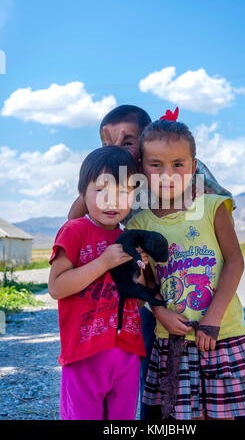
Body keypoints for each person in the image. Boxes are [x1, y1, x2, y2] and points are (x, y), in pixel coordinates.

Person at [67, 104, 237, 420]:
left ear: (145, 144)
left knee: (156, 361)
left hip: (179, 278)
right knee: (144, 365)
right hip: (141, 287)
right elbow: (74, 221)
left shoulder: (175, 172)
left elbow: (218, 219)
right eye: (107, 143)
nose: (117, 149)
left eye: (127, 141)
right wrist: (103, 167)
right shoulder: (112, 179)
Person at [126, 109, 245, 420]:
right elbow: (147, 282)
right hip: (172, 342)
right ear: (141, 168)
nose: (168, 174)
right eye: (156, 165)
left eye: (178, 164)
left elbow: (234, 262)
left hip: (223, 334)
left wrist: (213, 318)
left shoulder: (212, 207)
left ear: (194, 166)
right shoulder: (140, 223)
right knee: (184, 417)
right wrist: (160, 311)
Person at [48, 146, 146, 420]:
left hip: (126, 353)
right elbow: (57, 287)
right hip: (83, 354)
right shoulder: (74, 231)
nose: (112, 201)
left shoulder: (129, 238)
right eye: (101, 190)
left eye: (124, 192)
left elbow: (135, 301)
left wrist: (140, 274)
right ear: (82, 193)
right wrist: (103, 263)